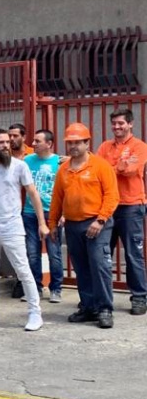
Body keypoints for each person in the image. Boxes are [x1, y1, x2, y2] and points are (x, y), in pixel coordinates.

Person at [0, 127, 47, 332]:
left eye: (7, 141)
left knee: (23, 269)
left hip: (13, 226)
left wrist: (42, 222)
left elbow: (32, 193)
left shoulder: (20, 166)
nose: (6, 145)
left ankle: (35, 313)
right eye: (1, 142)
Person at [51, 123, 120, 329]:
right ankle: (89, 307)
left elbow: (112, 196)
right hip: (73, 225)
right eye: (69, 143)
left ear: (87, 143)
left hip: (96, 224)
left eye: (77, 142)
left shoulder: (100, 166)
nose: (73, 146)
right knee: (81, 268)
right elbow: (57, 198)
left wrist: (100, 220)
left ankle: (104, 309)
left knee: (100, 266)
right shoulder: (63, 169)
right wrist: (52, 223)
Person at [96, 108, 147, 315]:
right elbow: (97, 170)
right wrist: (117, 167)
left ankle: (140, 297)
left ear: (130, 124)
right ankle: (101, 298)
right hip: (107, 206)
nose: (117, 127)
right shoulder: (105, 146)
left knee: (133, 253)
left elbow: (132, 170)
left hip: (131, 205)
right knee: (101, 254)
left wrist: (111, 168)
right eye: (114, 123)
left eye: (121, 123)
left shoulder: (140, 146)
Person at [22, 129, 64, 303]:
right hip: (30, 212)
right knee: (32, 253)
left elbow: (66, 190)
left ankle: (56, 288)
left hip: (52, 213)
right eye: (33, 140)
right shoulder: (26, 161)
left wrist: (64, 213)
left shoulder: (59, 162)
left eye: (37, 141)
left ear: (49, 144)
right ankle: (35, 288)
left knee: (54, 253)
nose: (33, 144)